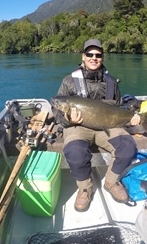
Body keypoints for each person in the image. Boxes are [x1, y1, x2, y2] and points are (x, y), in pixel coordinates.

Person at [52, 39, 141, 212]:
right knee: (74, 151)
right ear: (83, 56)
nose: (94, 58)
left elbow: (117, 108)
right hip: (77, 126)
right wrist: (68, 121)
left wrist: (132, 118)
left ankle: (111, 181)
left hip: (107, 125)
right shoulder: (69, 81)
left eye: (98, 55)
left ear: (102, 57)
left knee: (127, 146)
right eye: (90, 54)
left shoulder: (111, 82)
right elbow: (56, 113)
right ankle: (85, 187)